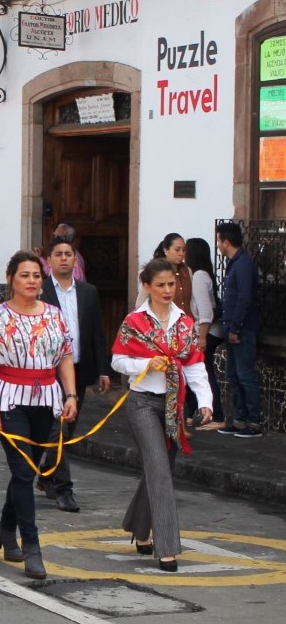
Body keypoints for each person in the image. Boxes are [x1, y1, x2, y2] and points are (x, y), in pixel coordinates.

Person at [0, 250, 77, 581]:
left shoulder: (54, 315)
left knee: (27, 472)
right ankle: (31, 546)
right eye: (25, 275)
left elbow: (64, 356)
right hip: (9, 399)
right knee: (22, 470)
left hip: (46, 398)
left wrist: (70, 394)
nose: (32, 281)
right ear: (11, 279)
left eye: (36, 275)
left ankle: (5, 528)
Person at [111, 258, 213, 572]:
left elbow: (195, 366)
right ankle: (166, 547)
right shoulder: (134, 321)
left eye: (172, 284)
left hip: (172, 404)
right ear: (147, 287)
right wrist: (146, 364)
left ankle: (141, 531)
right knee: (157, 466)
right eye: (160, 285)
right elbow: (117, 361)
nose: (167, 290)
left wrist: (206, 402)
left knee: (162, 468)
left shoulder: (185, 323)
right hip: (141, 401)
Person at [36, 236, 112, 513]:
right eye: (58, 254)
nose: (64, 258)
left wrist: (103, 369)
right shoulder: (41, 291)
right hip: (49, 370)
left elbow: (96, 333)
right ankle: (63, 489)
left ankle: (46, 473)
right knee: (59, 427)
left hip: (79, 366)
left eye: (69, 253)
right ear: (49, 260)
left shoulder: (88, 292)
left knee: (69, 428)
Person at [215, 222, 261, 437]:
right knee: (233, 375)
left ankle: (254, 422)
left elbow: (244, 298)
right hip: (232, 328)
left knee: (244, 375)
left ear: (226, 242)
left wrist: (235, 327)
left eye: (218, 241)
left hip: (241, 330)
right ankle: (240, 420)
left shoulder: (242, 264)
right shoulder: (234, 263)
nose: (218, 246)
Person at [186, 238, 225, 430]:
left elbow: (206, 312)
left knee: (205, 373)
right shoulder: (199, 275)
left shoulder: (198, 277)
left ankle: (216, 415)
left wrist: (201, 338)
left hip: (207, 332)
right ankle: (194, 412)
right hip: (205, 331)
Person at [150, 233, 194, 319]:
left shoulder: (187, 271)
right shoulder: (155, 271)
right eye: (177, 250)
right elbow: (141, 302)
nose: (181, 254)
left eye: (184, 250)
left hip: (186, 324)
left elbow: (192, 302)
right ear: (166, 250)